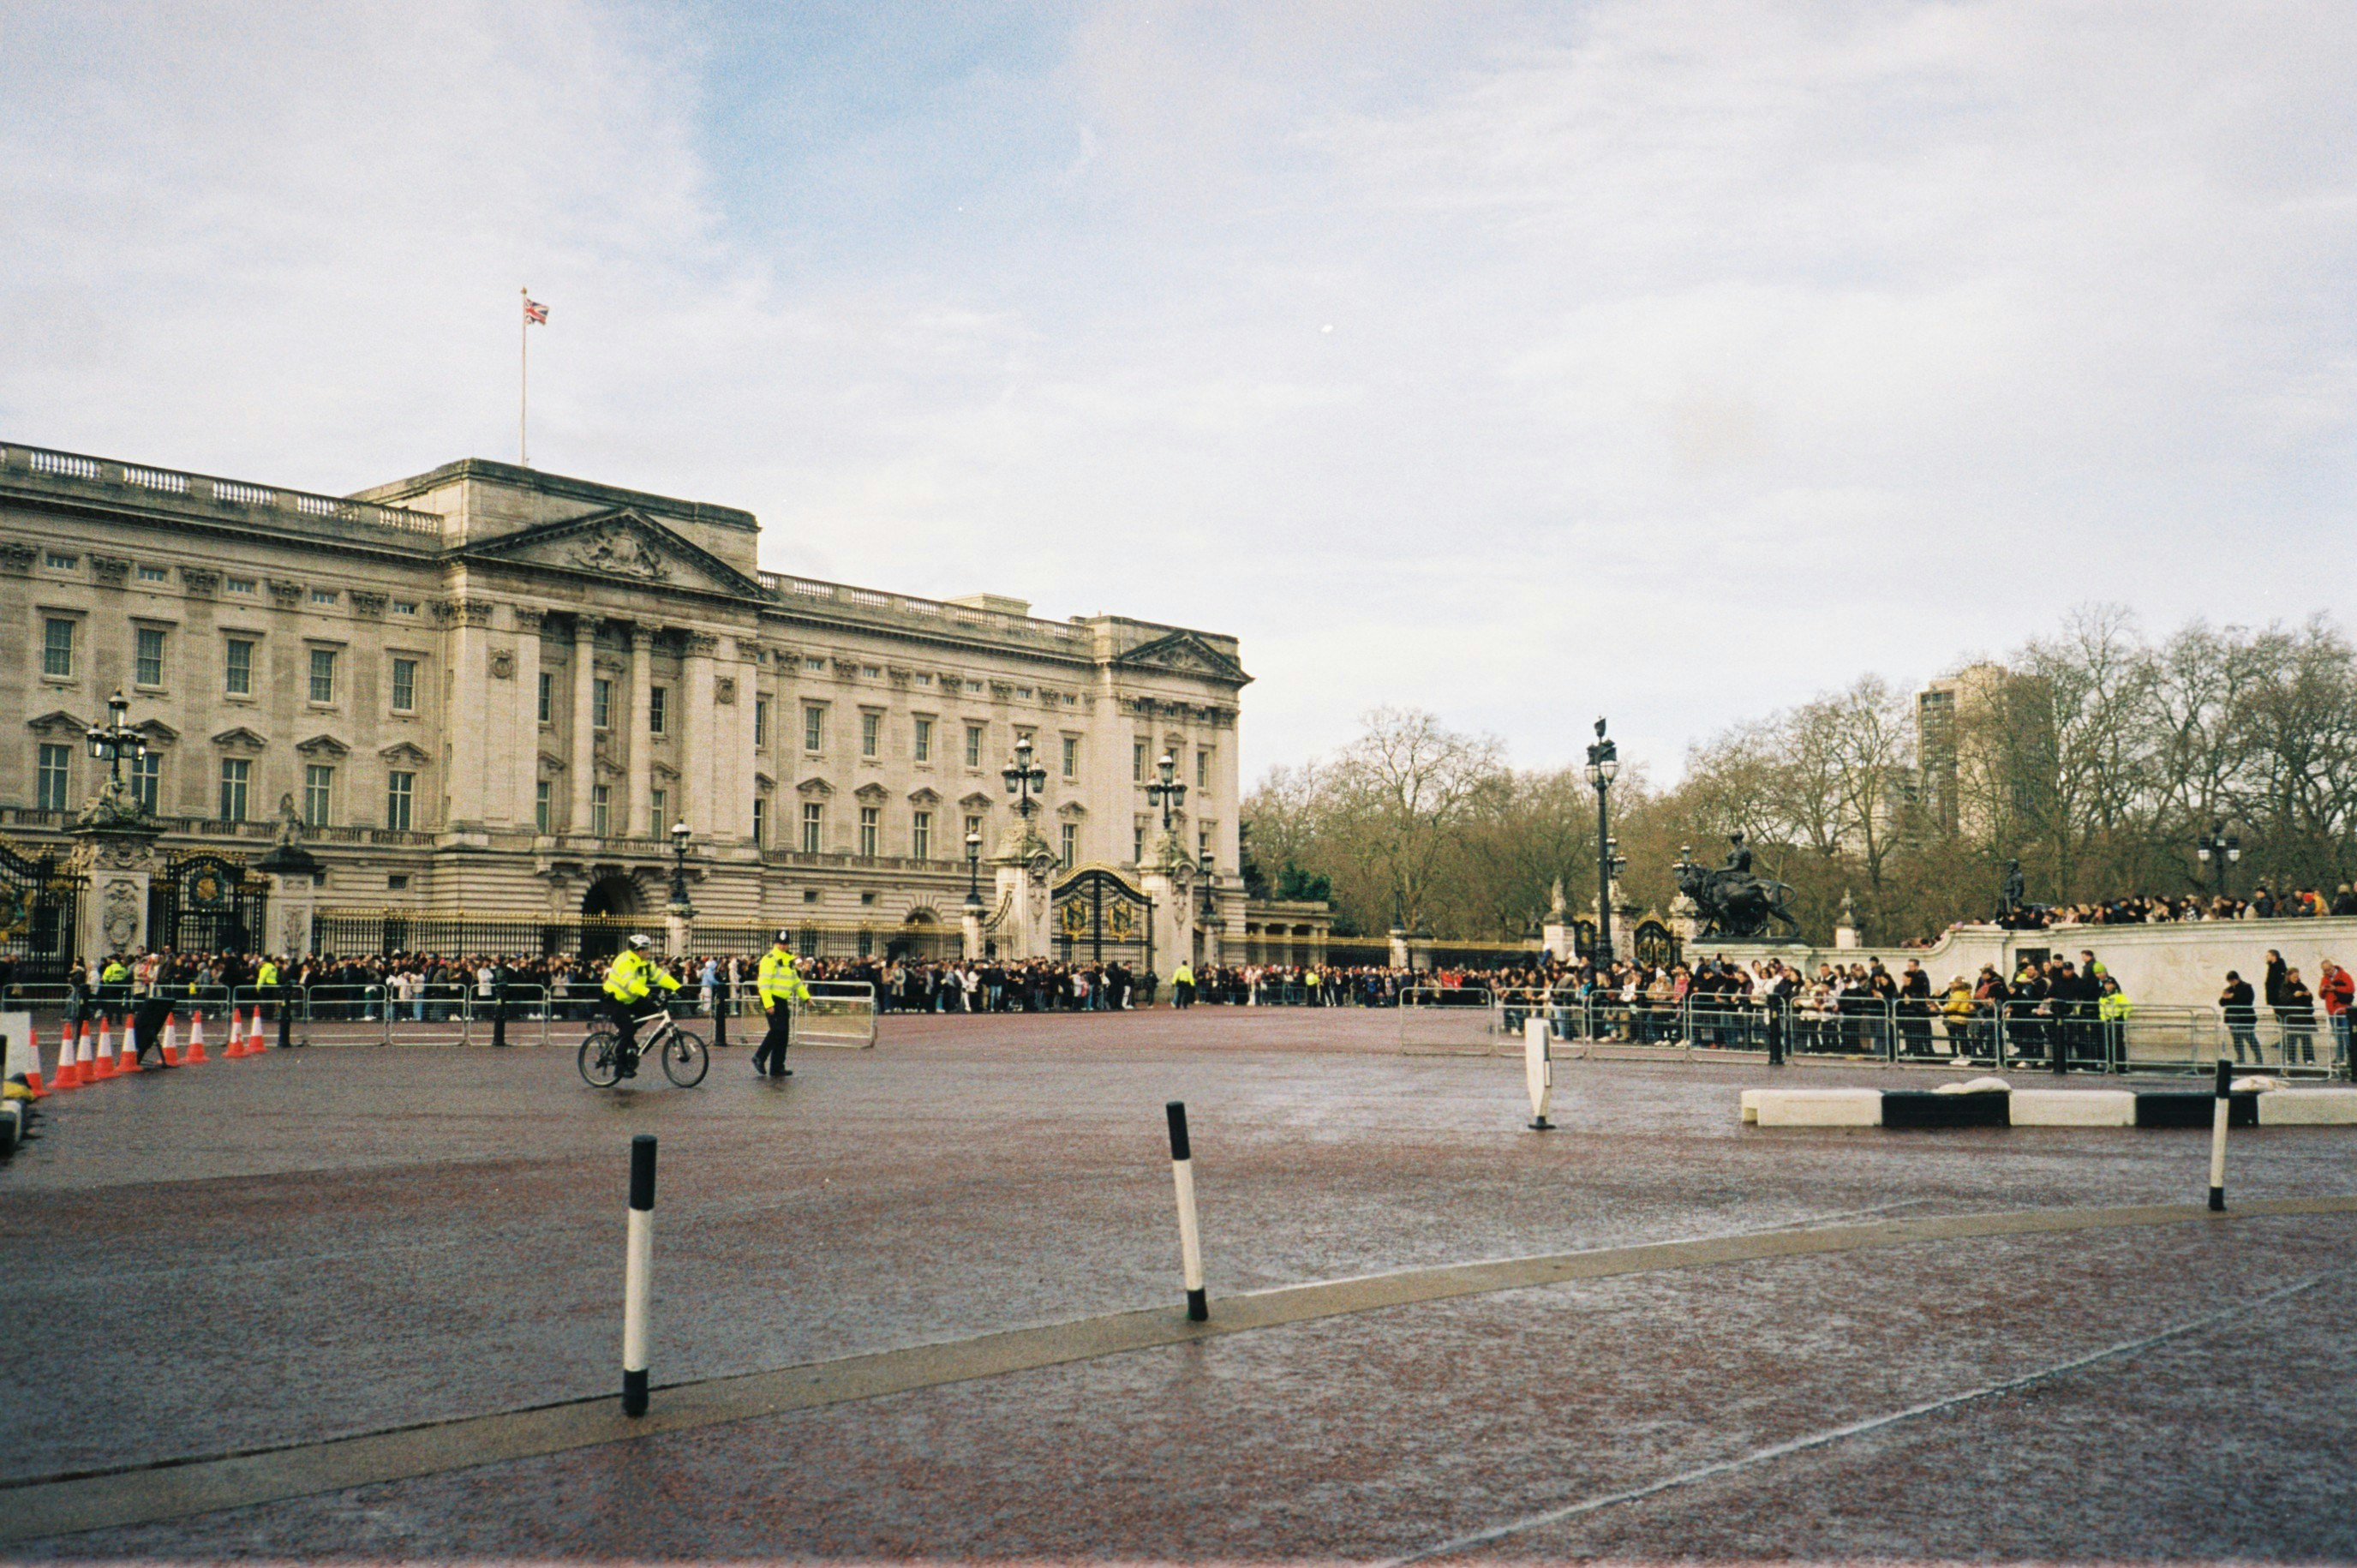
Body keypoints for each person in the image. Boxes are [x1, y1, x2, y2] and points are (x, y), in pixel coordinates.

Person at [601, 935, 679, 1079]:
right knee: (628, 1029)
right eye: (646, 950)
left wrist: (678, 987)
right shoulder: (624, 961)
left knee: (652, 1009)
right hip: (615, 1000)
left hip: (631, 999)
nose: (648, 952)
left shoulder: (644, 962)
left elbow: (659, 976)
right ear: (638, 950)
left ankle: (629, 1036)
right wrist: (647, 992)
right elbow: (629, 982)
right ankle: (620, 1067)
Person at [753, 931, 811, 1079]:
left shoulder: (789, 960)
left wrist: (806, 997)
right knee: (777, 1030)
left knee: (783, 1034)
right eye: (780, 943)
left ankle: (777, 1067)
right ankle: (759, 1056)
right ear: (775, 943)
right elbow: (764, 983)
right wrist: (768, 1004)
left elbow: (795, 982)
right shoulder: (769, 959)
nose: (783, 946)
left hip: (783, 1000)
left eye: (785, 943)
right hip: (772, 999)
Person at [2319, 959, 2354, 1076]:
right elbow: (2321, 995)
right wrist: (2323, 990)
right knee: (2337, 1037)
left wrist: (2336, 989)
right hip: (2332, 1011)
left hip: (2342, 1010)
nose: (2327, 972)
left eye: (2328, 970)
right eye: (2324, 971)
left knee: (2347, 1036)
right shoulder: (2324, 978)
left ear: (2333, 967)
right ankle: (2340, 1058)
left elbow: (2351, 989)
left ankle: (2351, 1059)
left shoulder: (2344, 976)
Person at [2220, 970, 2261, 1064]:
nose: (2231, 983)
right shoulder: (2229, 989)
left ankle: (2259, 1058)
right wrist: (2224, 997)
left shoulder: (2247, 987)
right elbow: (2222, 1003)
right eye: (2230, 981)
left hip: (2245, 1018)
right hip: (2233, 1019)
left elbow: (2247, 1000)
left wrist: (2232, 997)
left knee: (2250, 1038)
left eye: (2233, 981)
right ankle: (2240, 1058)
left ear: (2237, 979)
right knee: (2237, 1040)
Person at [2097, 976, 2132, 1072]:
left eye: (2109, 984)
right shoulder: (2103, 996)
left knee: (2118, 1043)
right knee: (2108, 1044)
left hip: (2116, 1020)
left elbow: (2128, 1008)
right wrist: (2104, 1019)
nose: (2107, 986)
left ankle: (2120, 1065)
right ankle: (2110, 1063)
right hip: (2106, 1021)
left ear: (2114, 985)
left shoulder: (2119, 996)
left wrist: (2123, 1018)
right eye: (2105, 984)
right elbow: (2101, 1009)